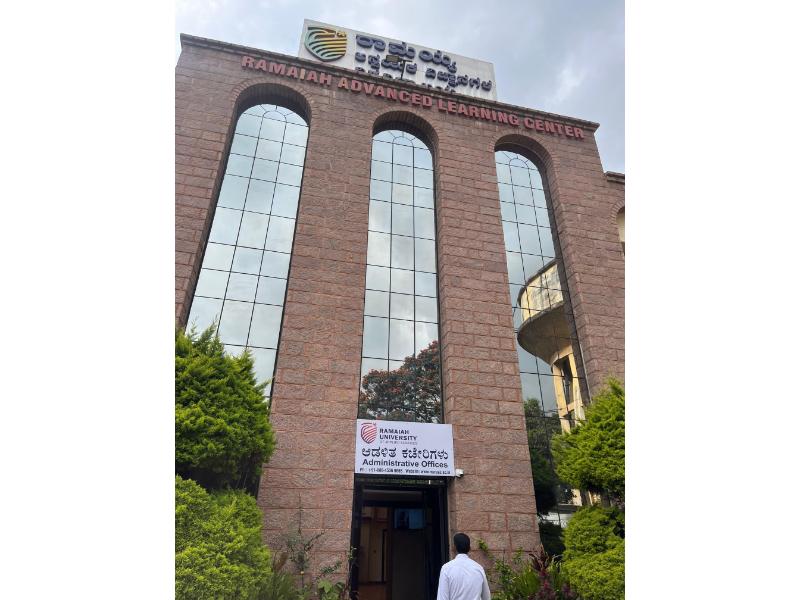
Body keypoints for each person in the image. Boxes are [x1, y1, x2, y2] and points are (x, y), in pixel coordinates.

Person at [436, 532, 491, 600]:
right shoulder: (479, 568)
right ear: (469, 548)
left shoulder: (446, 569)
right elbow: (486, 597)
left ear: (454, 547)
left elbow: (442, 598)